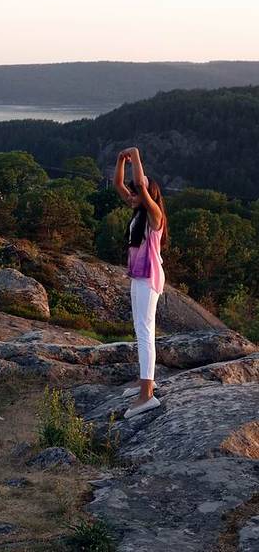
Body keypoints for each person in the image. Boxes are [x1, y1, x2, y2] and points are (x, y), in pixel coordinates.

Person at [113, 147, 168, 419]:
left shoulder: (154, 216)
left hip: (150, 277)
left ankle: (147, 395)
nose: (131, 196)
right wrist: (120, 161)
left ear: (146, 193)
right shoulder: (137, 212)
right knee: (140, 329)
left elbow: (141, 189)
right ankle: (144, 380)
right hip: (139, 276)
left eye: (136, 193)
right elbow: (118, 185)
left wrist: (134, 154)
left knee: (145, 331)